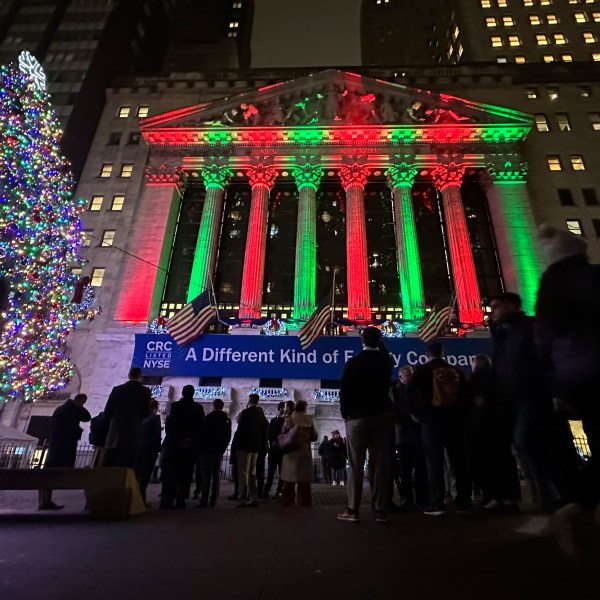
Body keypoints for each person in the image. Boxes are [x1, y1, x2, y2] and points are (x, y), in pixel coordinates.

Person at [490, 292, 577, 510]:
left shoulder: (531, 328)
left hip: (534, 394)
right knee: (530, 445)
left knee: (529, 442)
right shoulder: (502, 334)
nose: (493, 313)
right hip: (515, 398)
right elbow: (501, 367)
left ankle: (561, 495)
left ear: (512, 306)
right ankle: (548, 498)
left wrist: (556, 392)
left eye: (497, 307)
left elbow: (549, 358)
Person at [536, 224, 600, 509]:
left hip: (573, 376)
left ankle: (578, 502)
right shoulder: (589, 278)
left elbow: (546, 336)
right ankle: (581, 502)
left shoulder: (551, 287)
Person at [408, 342, 472, 516]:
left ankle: (437, 503)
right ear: (443, 353)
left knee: (434, 463)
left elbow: (410, 393)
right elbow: (466, 398)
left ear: (427, 354)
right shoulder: (456, 371)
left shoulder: (421, 370)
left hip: (431, 421)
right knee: (458, 462)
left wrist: (416, 413)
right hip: (454, 422)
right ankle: (464, 501)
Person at [337, 327, 394, 523]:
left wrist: (346, 414)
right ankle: (380, 510)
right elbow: (385, 353)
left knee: (355, 465)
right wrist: (380, 340)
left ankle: (352, 510)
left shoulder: (353, 363)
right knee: (380, 465)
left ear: (361, 341)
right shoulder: (386, 361)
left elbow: (344, 391)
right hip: (382, 416)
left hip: (358, 419)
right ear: (379, 342)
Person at [467, 355, 519, 510]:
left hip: (483, 429)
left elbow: (469, 403)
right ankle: (511, 497)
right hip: (503, 428)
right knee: (506, 461)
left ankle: (493, 497)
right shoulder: (500, 380)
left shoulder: (474, 381)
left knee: (488, 464)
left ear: (475, 364)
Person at [39, 394, 91, 510]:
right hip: (65, 446)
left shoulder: (61, 408)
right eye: (83, 402)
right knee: (54, 473)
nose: (83, 405)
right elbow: (87, 417)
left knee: (49, 472)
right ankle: (45, 501)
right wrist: (80, 406)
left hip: (56, 445)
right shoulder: (72, 410)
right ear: (80, 401)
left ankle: (45, 500)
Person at [160, 385, 204, 509]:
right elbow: (199, 428)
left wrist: (178, 439)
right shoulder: (198, 408)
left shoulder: (176, 406)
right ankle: (181, 500)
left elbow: (172, 425)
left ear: (183, 393)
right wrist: (189, 440)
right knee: (186, 474)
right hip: (190, 447)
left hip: (175, 445)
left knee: (171, 474)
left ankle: (167, 499)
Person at [102, 367, 152, 468]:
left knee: (108, 465)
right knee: (125, 467)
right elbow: (146, 413)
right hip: (132, 435)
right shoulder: (144, 391)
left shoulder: (117, 389)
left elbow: (108, 411)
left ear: (129, 376)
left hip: (114, 434)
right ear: (140, 377)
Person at [393, 366, 427, 510]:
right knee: (404, 470)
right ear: (400, 377)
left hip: (418, 435)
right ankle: (407, 498)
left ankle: (422, 498)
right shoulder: (396, 392)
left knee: (420, 468)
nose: (410, 377)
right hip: (404, 436)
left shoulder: (419, 390)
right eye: (407, 375)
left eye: (411, 374)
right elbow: (395, 413)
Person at [280, 400, 318, 507]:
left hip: (291, 453)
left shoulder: (289, 418)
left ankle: (288, 501)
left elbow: (283, 432)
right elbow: (314, 437)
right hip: (304, 452)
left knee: (289, 480)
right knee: (304, 482)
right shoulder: (309, 419)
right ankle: (304, 502)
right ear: (305, 408)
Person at [235, 393, 268, 508]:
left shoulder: (245, 413)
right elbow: (265, 430)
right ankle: (253, 498)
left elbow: (240, 431)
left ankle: (242, 499)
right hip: (256, 448)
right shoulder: (260, 415)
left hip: (244, 447)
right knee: (252, 474)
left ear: (249, 401)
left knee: (243, 473)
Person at [198, 399, 232, 508]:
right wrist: (223, 448)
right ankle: (214, 499)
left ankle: (204, 500)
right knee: (216, 475)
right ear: (222, 406)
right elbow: (228, 436)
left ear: (213, 405)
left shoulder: (208, 417)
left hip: (207, 450)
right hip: (218, 451)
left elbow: (202, 434)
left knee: (206, 476)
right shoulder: (226, 419)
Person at [134, 399, 162, 506]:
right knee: (145, 476)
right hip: (150, 449)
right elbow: (156, 436)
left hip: (137, 448)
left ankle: (134, 497)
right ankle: (141, 498)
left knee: (135, 474)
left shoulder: (139, 416)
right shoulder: (155, 418)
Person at [262, 401, 286, 498]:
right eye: (282, 408)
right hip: (273, 449)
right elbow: (269, 433)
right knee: (270, 472)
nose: (283, 410)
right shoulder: (273, 421)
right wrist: (272, 441)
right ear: (279, 409)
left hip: (282, 450)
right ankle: (266, 491)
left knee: (282, 473)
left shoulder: (286, 421)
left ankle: (279, 491)